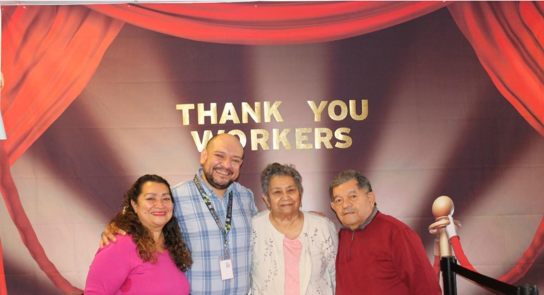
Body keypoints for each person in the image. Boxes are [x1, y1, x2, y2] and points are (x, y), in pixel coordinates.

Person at [101, 134, 257, 295]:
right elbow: (130, 233)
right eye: (219, 156)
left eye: (235, 160)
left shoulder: (246, 197)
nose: (226, 165)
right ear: (204, 156)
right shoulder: (173, 198)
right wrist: (116, 227)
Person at [329, 170, 441, 295]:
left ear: (370, 198)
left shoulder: (397, 233)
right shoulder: (337, 238)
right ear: (333, 207)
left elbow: (427, 288)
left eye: (353, 196)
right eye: (339, 200)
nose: (345, 205)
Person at [86, 174, 192, 295]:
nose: (160, 204)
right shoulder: (120, 244)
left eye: (166, 198)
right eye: (151, 198)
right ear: (135, 205)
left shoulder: (172, 246)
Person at [251, 163, 337, 295]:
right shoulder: (253, 228)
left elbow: (336, 275)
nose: (285, 197)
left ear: (300, 194)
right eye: (277, 192)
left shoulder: (321, 226)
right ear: (266, 199)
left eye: (291, 190)